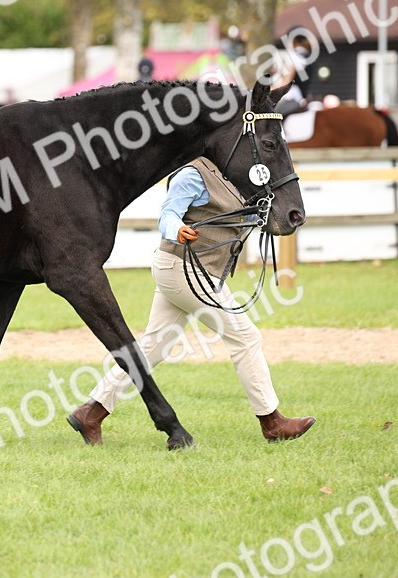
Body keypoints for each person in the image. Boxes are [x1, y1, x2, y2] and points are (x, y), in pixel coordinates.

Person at [68, 156, 315, 445]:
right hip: (184, 269)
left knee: (154, 347)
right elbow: (168, 214)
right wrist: (177, 229)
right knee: (246, 337)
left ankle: (91, 412)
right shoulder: (193, 174)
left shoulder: (233, 174)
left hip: (188, 270)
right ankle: (272, 422)